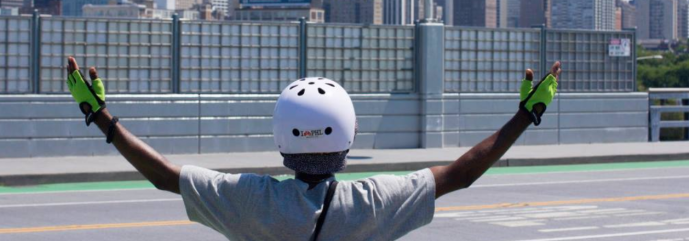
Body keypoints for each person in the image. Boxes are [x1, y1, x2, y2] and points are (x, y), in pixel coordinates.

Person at [66, 56, 561, 241]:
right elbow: (460, 173)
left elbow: (164, 174)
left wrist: (102, 118)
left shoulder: (248, 200)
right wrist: (525, 115)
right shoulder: (374, 201)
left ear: (282, 144)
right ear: (347, 143)